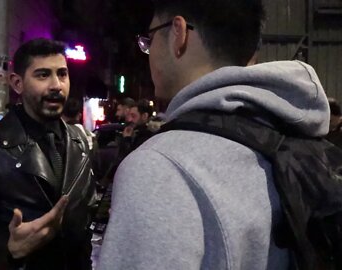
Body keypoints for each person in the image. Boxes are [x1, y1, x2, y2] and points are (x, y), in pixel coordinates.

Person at [98, 0, 329, 269]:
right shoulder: (297, 133)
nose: (148, 52)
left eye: (149, 39)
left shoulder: (159, 166)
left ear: (178, 33)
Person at [0, 38, 95, 270]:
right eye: (43, 75)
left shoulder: (79, 140)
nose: (57, 85)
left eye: (62, 74)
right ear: (17, 83)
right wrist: (8, 249)